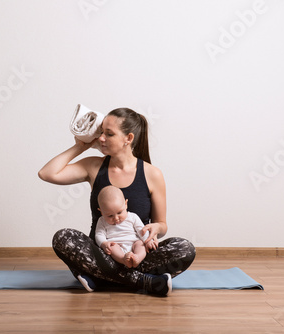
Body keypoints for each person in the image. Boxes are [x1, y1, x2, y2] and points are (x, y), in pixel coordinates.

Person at [38, 107, 195, 296]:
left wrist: (156, 229)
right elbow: (46, 173)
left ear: (128, 138)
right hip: (102, 254)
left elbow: (162, 224)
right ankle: (143, 281)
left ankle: (100, 277)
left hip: (138, 254)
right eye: (101, 132)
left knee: (185, 248)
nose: (101, 138)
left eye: (109, 134)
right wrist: (81, 146)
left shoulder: (152, 174)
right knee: (63, 238)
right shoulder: (94, 166)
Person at [96, 185, 150, 268]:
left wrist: (147, 240)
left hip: (133, 244)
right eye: (110, 216)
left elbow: (142, 230)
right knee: (112, 248)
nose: (116, 218)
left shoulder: (133, 217)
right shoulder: (102, 221)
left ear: (125, 204)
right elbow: (99, 234)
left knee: (140, 244)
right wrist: (104, 243)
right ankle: (123, 260)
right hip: (116, 246)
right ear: (102, 212)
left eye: (119, 212)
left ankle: (137, 258)